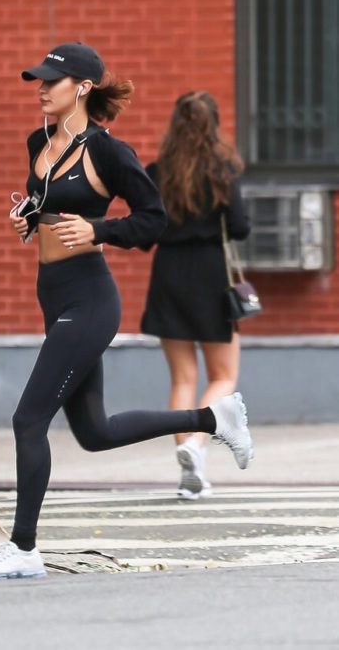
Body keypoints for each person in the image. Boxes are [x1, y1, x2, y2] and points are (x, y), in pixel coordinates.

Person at [0, 45, 253, 581]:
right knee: (94, 432)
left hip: (90, 300)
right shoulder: (40, 142)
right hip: (53, 295)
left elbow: (155, 219)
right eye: (38, 80)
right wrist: (31, 218)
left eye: (52, 80)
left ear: (81, 87)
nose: (41, 87)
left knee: (29, 420)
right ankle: (215, 419)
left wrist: (99, 230)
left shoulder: (109, 152)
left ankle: (24, 549)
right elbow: (46, 199)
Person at [141, 91, 251, 501]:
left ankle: (190, 466)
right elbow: (239, 227)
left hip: (168, 273)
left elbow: (148, 228)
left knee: (182, 377)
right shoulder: (224, 170)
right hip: (210, 275)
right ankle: (196, 447)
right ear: (214, 124)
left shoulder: (158, 171)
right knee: (223, 375)